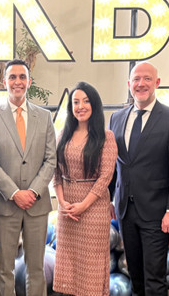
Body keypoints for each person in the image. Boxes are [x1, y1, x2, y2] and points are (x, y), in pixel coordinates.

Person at [109, 61, 169, 296]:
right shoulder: (117, 118)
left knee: (154, 279)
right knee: (135, 276)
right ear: (129, 84)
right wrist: (110, 198)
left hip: (157, 212)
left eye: (147, 79)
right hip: (125, 211)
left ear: (157, 83)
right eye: (136, 79)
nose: (141, 84)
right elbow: (114, 163)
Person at [0, 58, 56, 296]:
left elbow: (51, 160)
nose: (17, 82)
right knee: (5, 269)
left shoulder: (44, 117)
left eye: (22, 77)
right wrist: (14, 193)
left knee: (36, 269)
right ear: (4, 82)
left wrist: (32, 192)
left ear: (29, 82)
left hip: (37, 204)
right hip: (4, 204)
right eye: (12, 77)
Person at [53, 82, 117, 295]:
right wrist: (62, 202)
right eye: (76, 102)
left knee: (90, 268)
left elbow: (105, 177)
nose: (80, 106)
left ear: (95, 104)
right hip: (67, 209)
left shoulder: (106, 137)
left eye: (86, 101)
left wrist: (83, 205)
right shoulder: (63, 134)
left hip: (93, 209)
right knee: (69, 265)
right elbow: (55, 173)